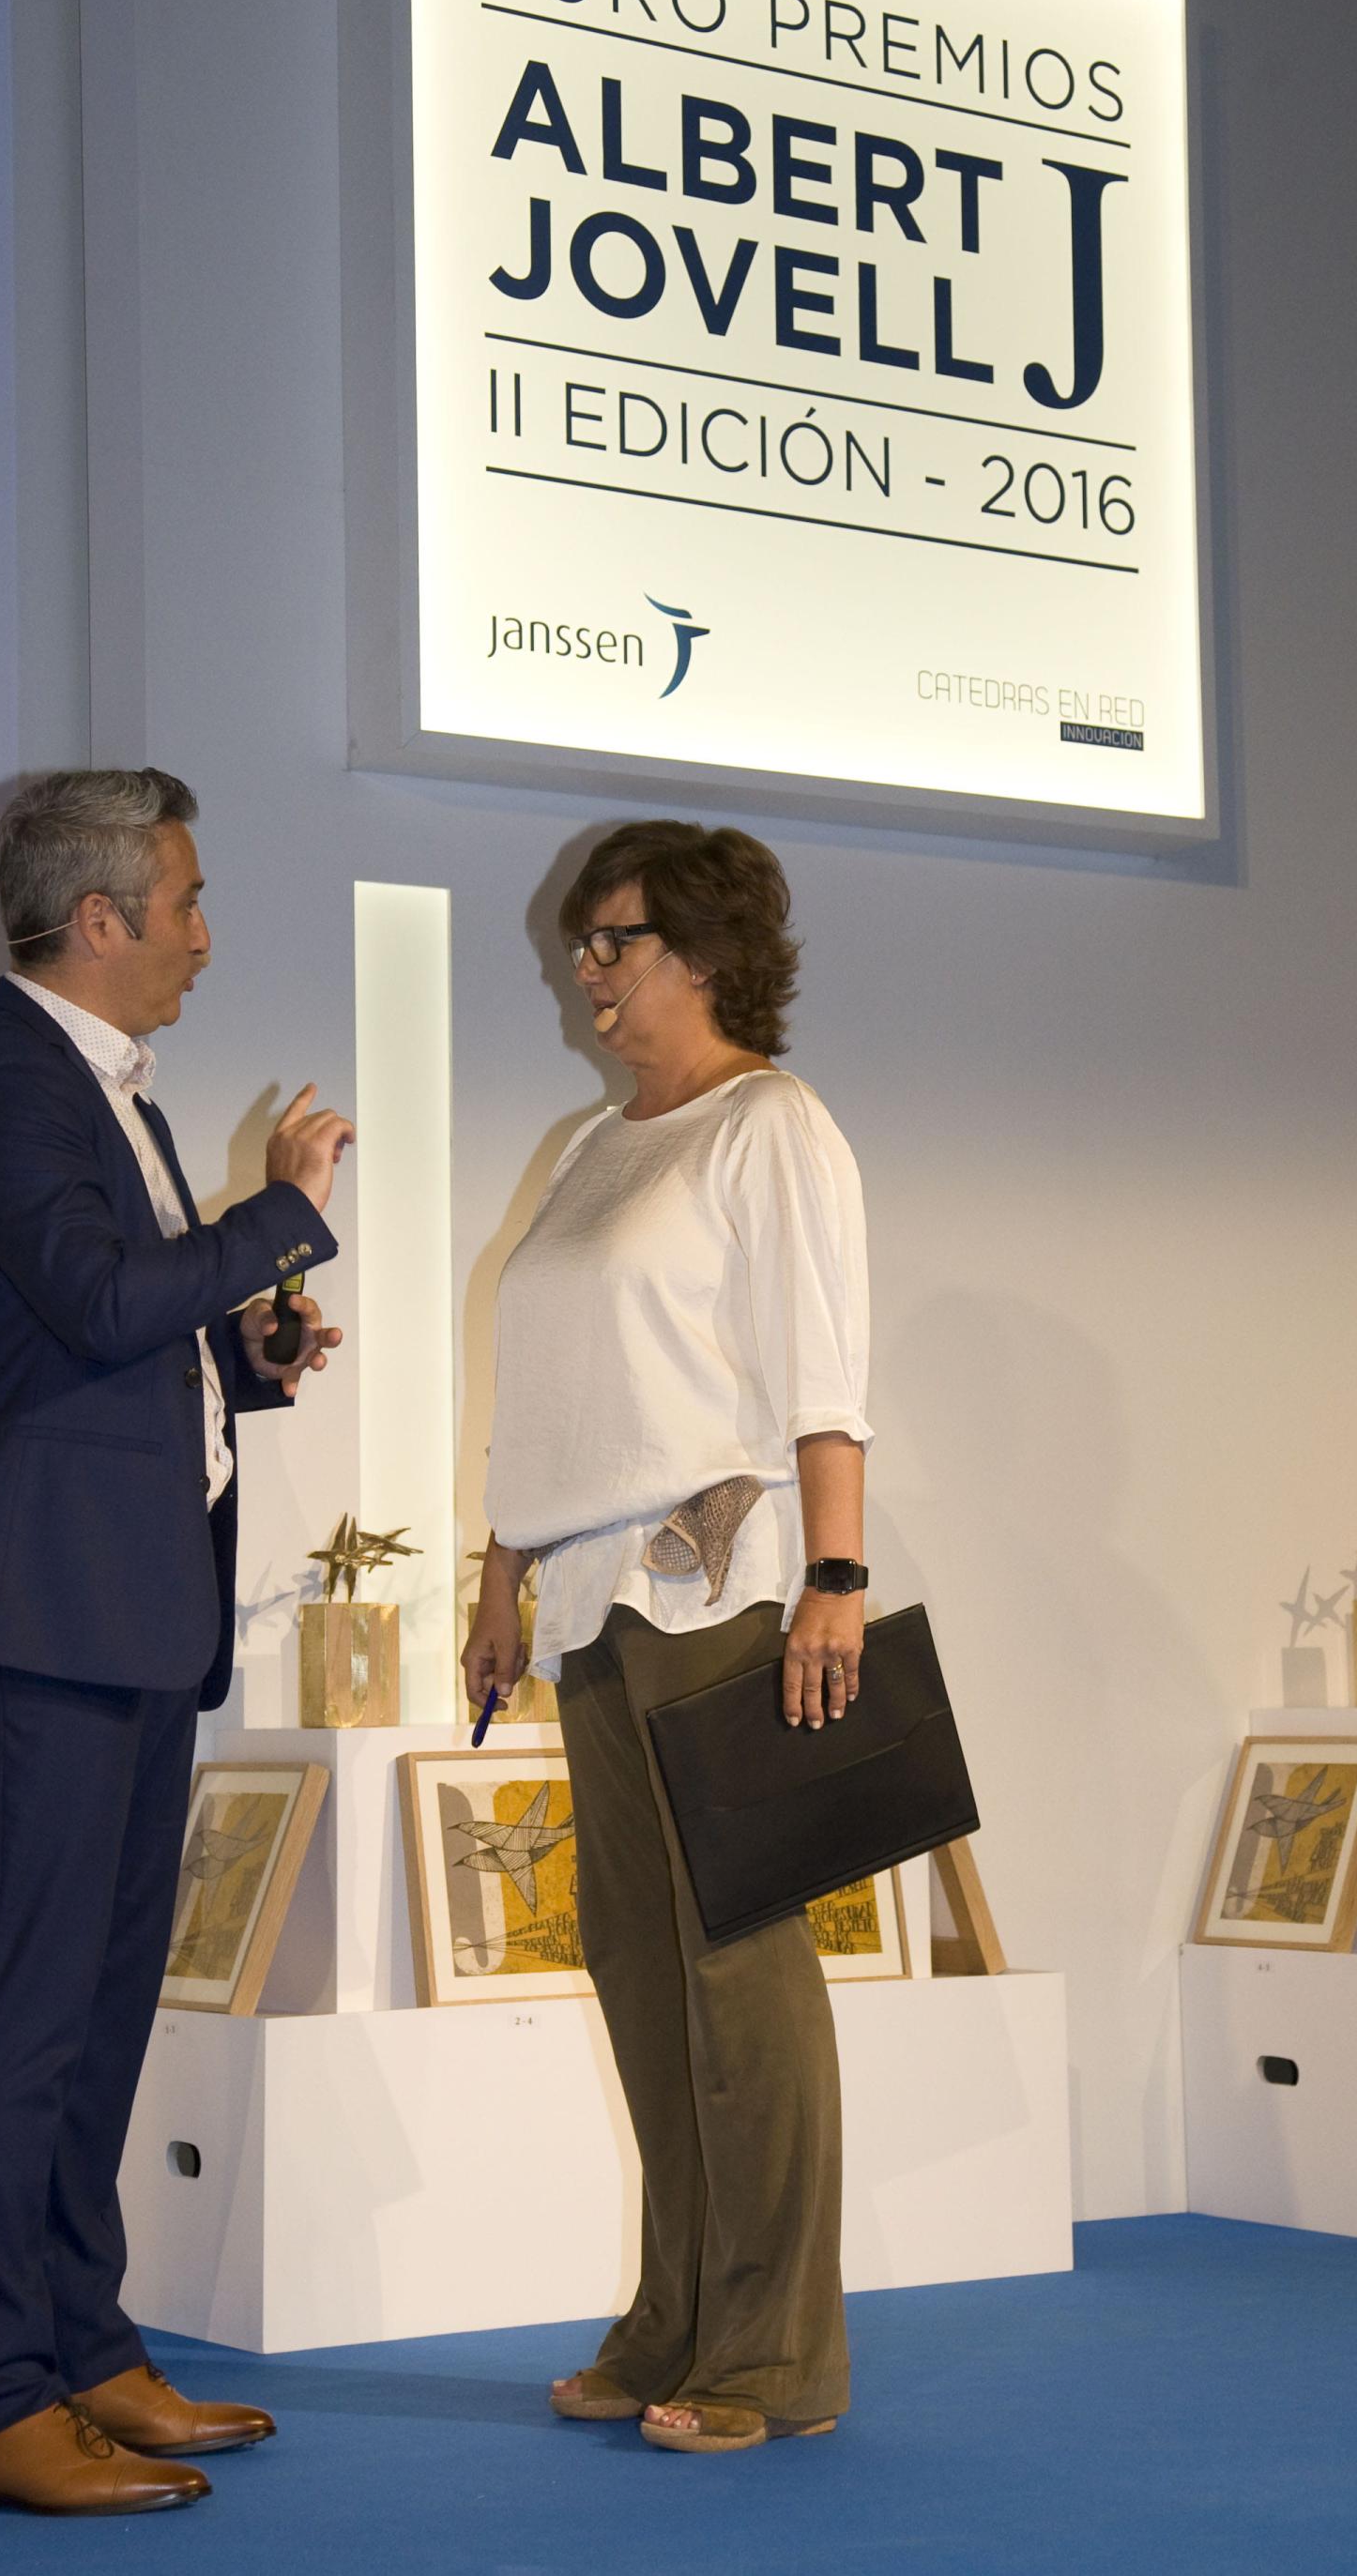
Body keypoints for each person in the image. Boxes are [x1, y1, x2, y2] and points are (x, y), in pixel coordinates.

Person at [0, 769, 355, 2516]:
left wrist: (244, 1358)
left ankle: (81, 2352)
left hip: (128, 1615)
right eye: (187, 901)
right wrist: (281, 1211)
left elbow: (95, 1338)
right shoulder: (1, 1082)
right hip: (44, 1624)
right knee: (19, 2020)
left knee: (93, 2018)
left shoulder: (100, 1088)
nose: (204, 935)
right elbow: (96, 1302)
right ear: (99, 920)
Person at [464, 819, 871, 2457]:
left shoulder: (772, 1125)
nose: (589, 968)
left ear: (705, 953)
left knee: (737, 1968)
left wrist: (836, 1575)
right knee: (641, 1970)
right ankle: (675, 2318)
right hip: (586, 1601)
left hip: (717, 1597)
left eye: (614, 939)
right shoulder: (591, 1145)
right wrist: (499, 1576)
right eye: (584, 941)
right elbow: (548, 1391)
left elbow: (824, 1375)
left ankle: (777, 2354)